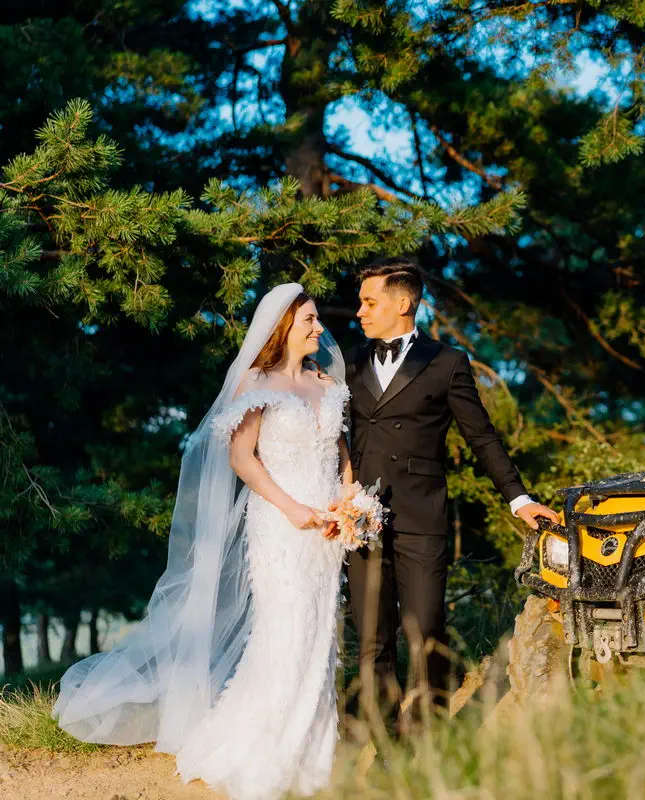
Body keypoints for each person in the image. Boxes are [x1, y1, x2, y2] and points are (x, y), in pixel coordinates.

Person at [53, 283, 353, 800]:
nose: (319, 329)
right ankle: (260, 752)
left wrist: (348, 503)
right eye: (309, 320)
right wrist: (292, 508)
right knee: (285, 631)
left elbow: (342, 450)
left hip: (327, 530)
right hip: (281, 526)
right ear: (284, 327)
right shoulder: (259, 384)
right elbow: (242, 458)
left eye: (318, 319)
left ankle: (312, 756)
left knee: (320, 632)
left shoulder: (325, 383)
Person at [344, 258, 558, 722]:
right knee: (371, 641)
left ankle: (424, 740)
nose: (359, 312)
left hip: (421, 517)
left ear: (402, 303)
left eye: (369, 302)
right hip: (359, 521)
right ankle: (382, 744)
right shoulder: (351, 360)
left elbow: (481, 437)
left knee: (425, 634)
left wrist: (518, 498)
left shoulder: (446, 362)